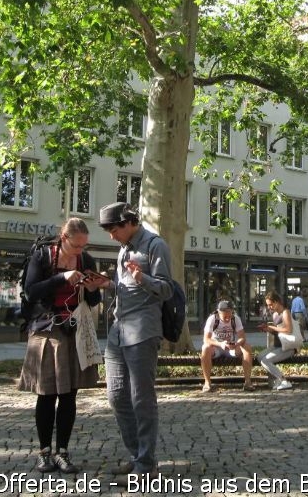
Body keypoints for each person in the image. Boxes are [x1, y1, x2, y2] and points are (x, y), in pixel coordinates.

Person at [17, 217, 104, 474]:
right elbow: (31, 291)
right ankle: (44, 452)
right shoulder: (43, 257)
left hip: (73, 330)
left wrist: (91, 288)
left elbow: (94, 299)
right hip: (46, 329)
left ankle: (63, 451)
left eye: (83, 246)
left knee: (69, 394)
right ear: (63, 238)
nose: (80, 251)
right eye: (76, 246)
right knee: (47, 394)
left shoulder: (86, 260)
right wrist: (62, 278)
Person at [99, 202, 173, 479]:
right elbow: (124, 286)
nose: (111, 235)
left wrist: (142, 278)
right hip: (119, 331)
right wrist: (105, 284)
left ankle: (146, 464)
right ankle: (136, 454)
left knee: (141, 399)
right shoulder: (124, 248)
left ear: (129, 222)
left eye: (113, 229)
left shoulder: (156, 245)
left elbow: (166, 289)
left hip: (143, 331)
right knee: (116, 395)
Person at [200, 300, 254, 392]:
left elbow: (242, 337)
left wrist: (236, 344)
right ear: (219, 313)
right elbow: (206, 339)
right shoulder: (212, 319)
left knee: (247, 347)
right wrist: (220, 344)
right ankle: (207, 382)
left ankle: (248, 382)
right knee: (205, 347)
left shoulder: (235, 318)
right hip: (216, 347)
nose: (228, 319)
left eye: (229, 316)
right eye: (225, 317)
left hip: (231, 348)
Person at [257, 291, 302, 390]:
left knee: (265, 361)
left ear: (277, 302)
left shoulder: (285, 312)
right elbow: (279, 332)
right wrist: (268, 329)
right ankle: (278, 380)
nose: (269, 307)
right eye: (268, 305)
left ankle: (284, 380)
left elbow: (288, 330)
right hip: (280, 345)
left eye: (270, 304)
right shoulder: (275, 315)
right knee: (259, 357)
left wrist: (272, 328)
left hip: (289, 346)